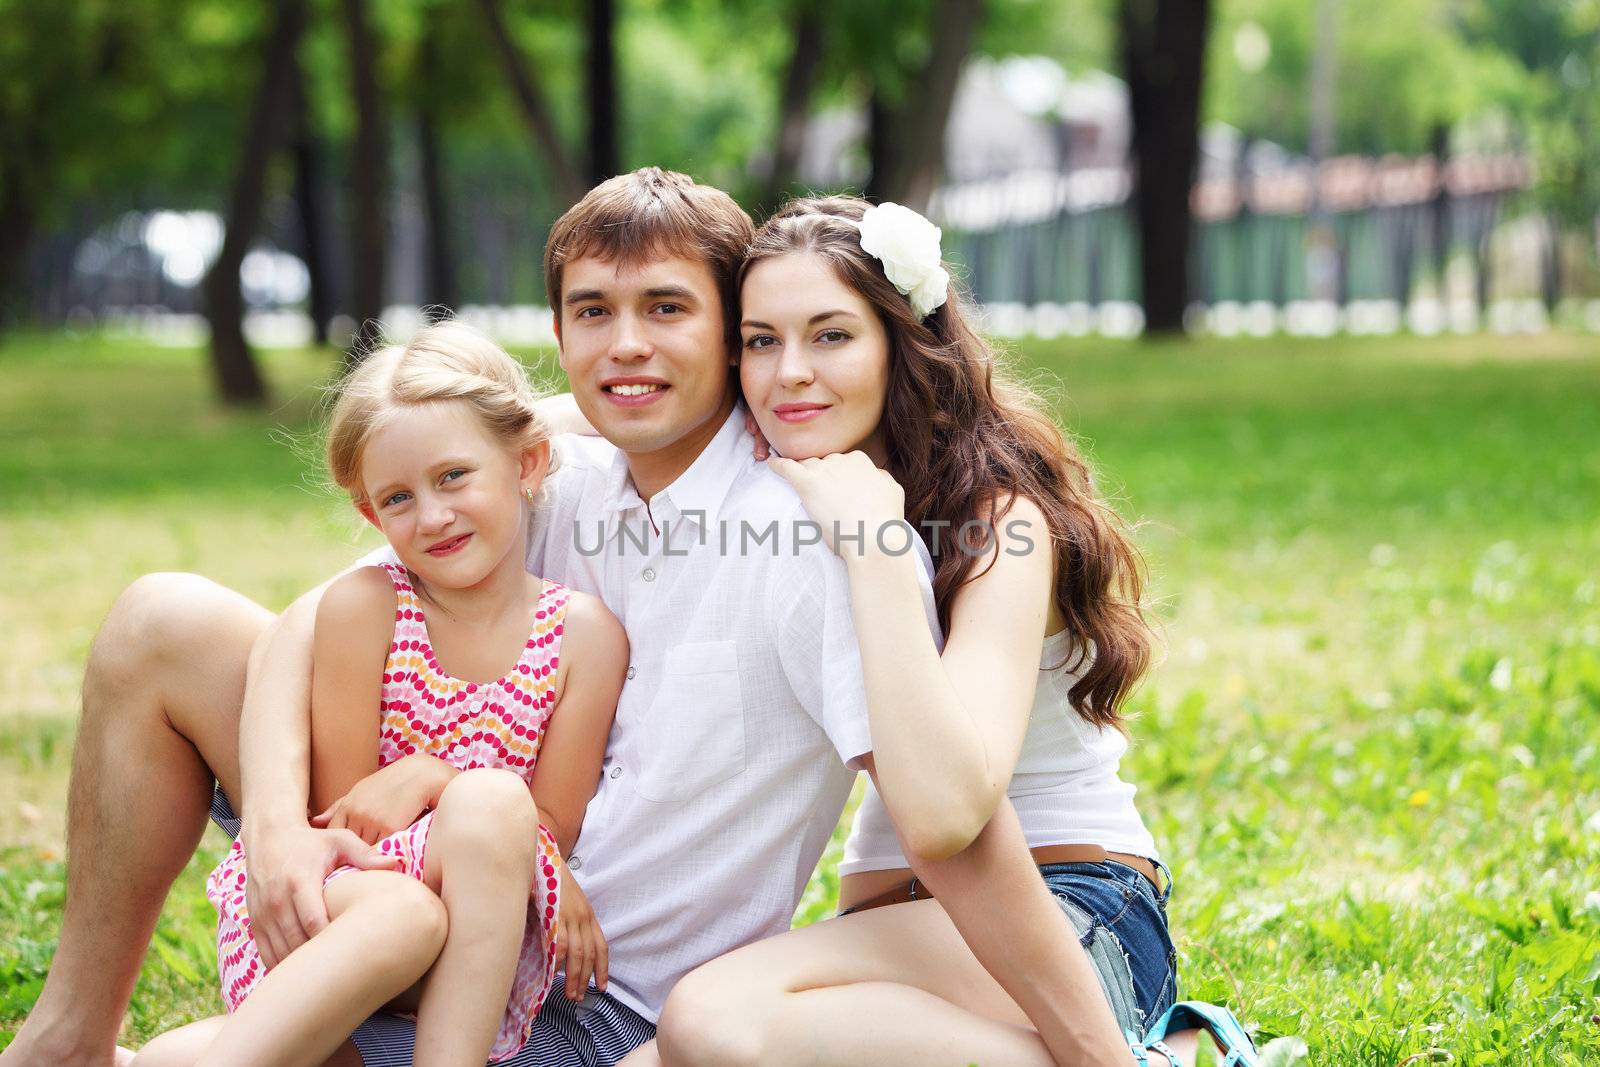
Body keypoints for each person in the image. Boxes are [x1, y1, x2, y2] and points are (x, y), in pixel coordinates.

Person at [0, 167, 933, 1067]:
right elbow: (311, 624)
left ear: (736, 333)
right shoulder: (560, 472)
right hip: (420, 876)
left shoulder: (812, 529)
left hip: (582, 986)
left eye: (666, 308)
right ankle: (68, 1039)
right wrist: (280, 824)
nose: (626, 346)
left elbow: (935, 792)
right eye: (593, 313)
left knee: (180, 1058)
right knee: (163, 618)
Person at [636, 196, 1258, 1067]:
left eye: (832, 335)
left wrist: (880, 552)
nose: (789, 374)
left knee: (709, 1018)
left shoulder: (999, 521)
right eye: (761, 340)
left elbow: (945, 811)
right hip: (903, 932)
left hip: (1068, 916)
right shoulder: (789, 472)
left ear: (902, 342)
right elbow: (593, 417)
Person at [130, 323, 627, 1067]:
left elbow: (549, 823)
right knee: (405, 911)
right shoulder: (369, 608)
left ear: (527, 461)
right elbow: (345, 818)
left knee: (490, 804)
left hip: (478, 935)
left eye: (454, 476)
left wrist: (435, 775)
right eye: (399, 497)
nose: (431, 515)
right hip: (339, 905)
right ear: (372, 515)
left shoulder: (585, 638)